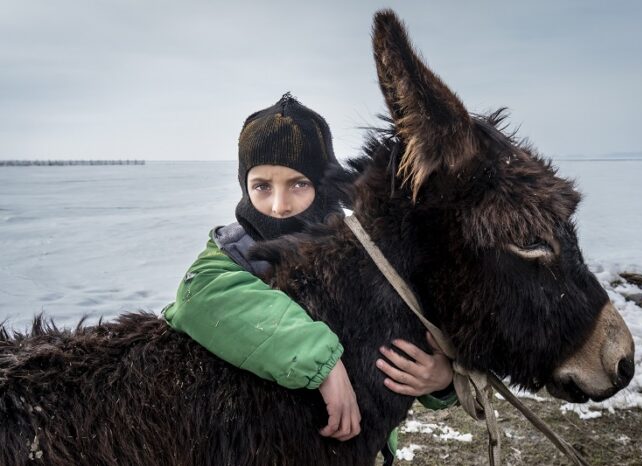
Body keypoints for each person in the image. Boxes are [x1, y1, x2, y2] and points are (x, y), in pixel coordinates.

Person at [162, 93, 456, 463]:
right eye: (262, 186)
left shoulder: (362, 254)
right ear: (244, 187)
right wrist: (324, 363)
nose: (279, 205)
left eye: (298, 184)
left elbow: (405, 329)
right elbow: (197, 298)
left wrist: (443, 381)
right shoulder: (236, 254)